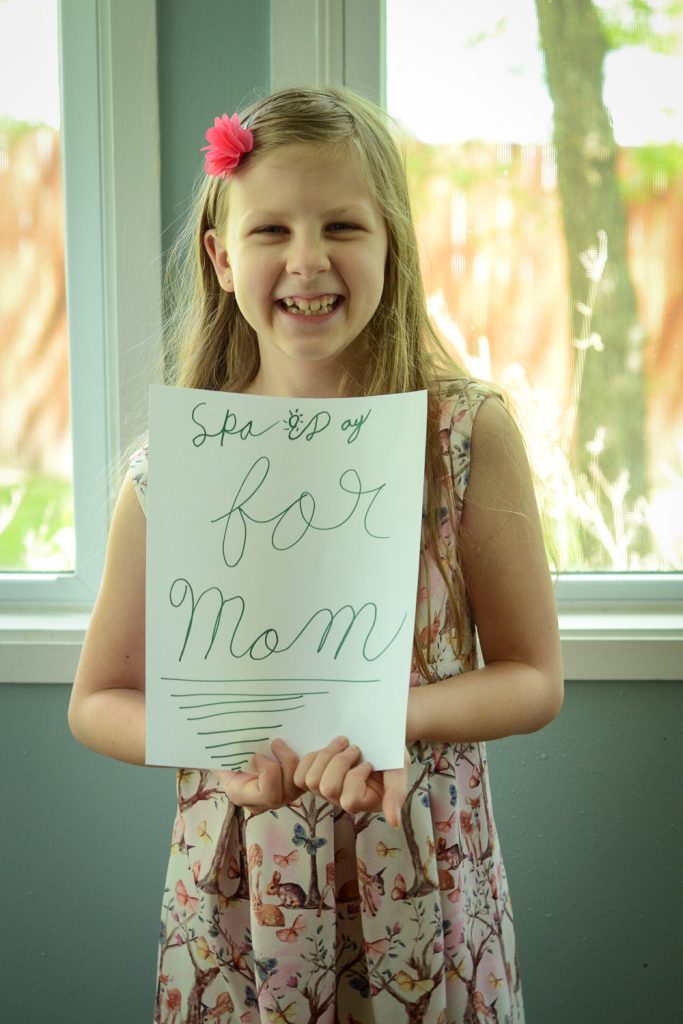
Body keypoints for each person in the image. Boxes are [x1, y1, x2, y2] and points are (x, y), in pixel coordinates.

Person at [69, 86, 563, 1024]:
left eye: (342, 224)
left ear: (391, 248)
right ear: (220, 257)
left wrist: (391, 717)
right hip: (238, 903)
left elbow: (534, 678)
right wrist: (223, 754)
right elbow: (97, 701)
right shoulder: (171, 470)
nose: (308, 259)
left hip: (423, 882)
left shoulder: (462, 435)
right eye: (270, 232)